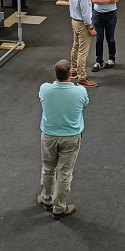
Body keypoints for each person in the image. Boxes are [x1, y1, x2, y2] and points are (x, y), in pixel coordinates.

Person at [37, 60, 87, 220]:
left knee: (48, 168)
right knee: (64, 173)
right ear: (71, 75)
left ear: (55, 75)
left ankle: (46, 200)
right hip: (71, 137)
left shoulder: (44, 89)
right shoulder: (80, 91)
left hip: (49, 136)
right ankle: (59, 208)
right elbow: (85, 103)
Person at [68, 0, 97, 88]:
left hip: (74, 21)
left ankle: (73, 70)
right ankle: (82, 77)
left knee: (76, 46)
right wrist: (91, 28)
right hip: (82, 24)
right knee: (83, 51)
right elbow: (86, 14)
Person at [90, 0, 119, 72]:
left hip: (111, 15)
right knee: (99, 39)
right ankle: (99, 61)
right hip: (98, 14)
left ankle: (112, 59)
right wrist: (109, 1)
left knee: (110, 38)